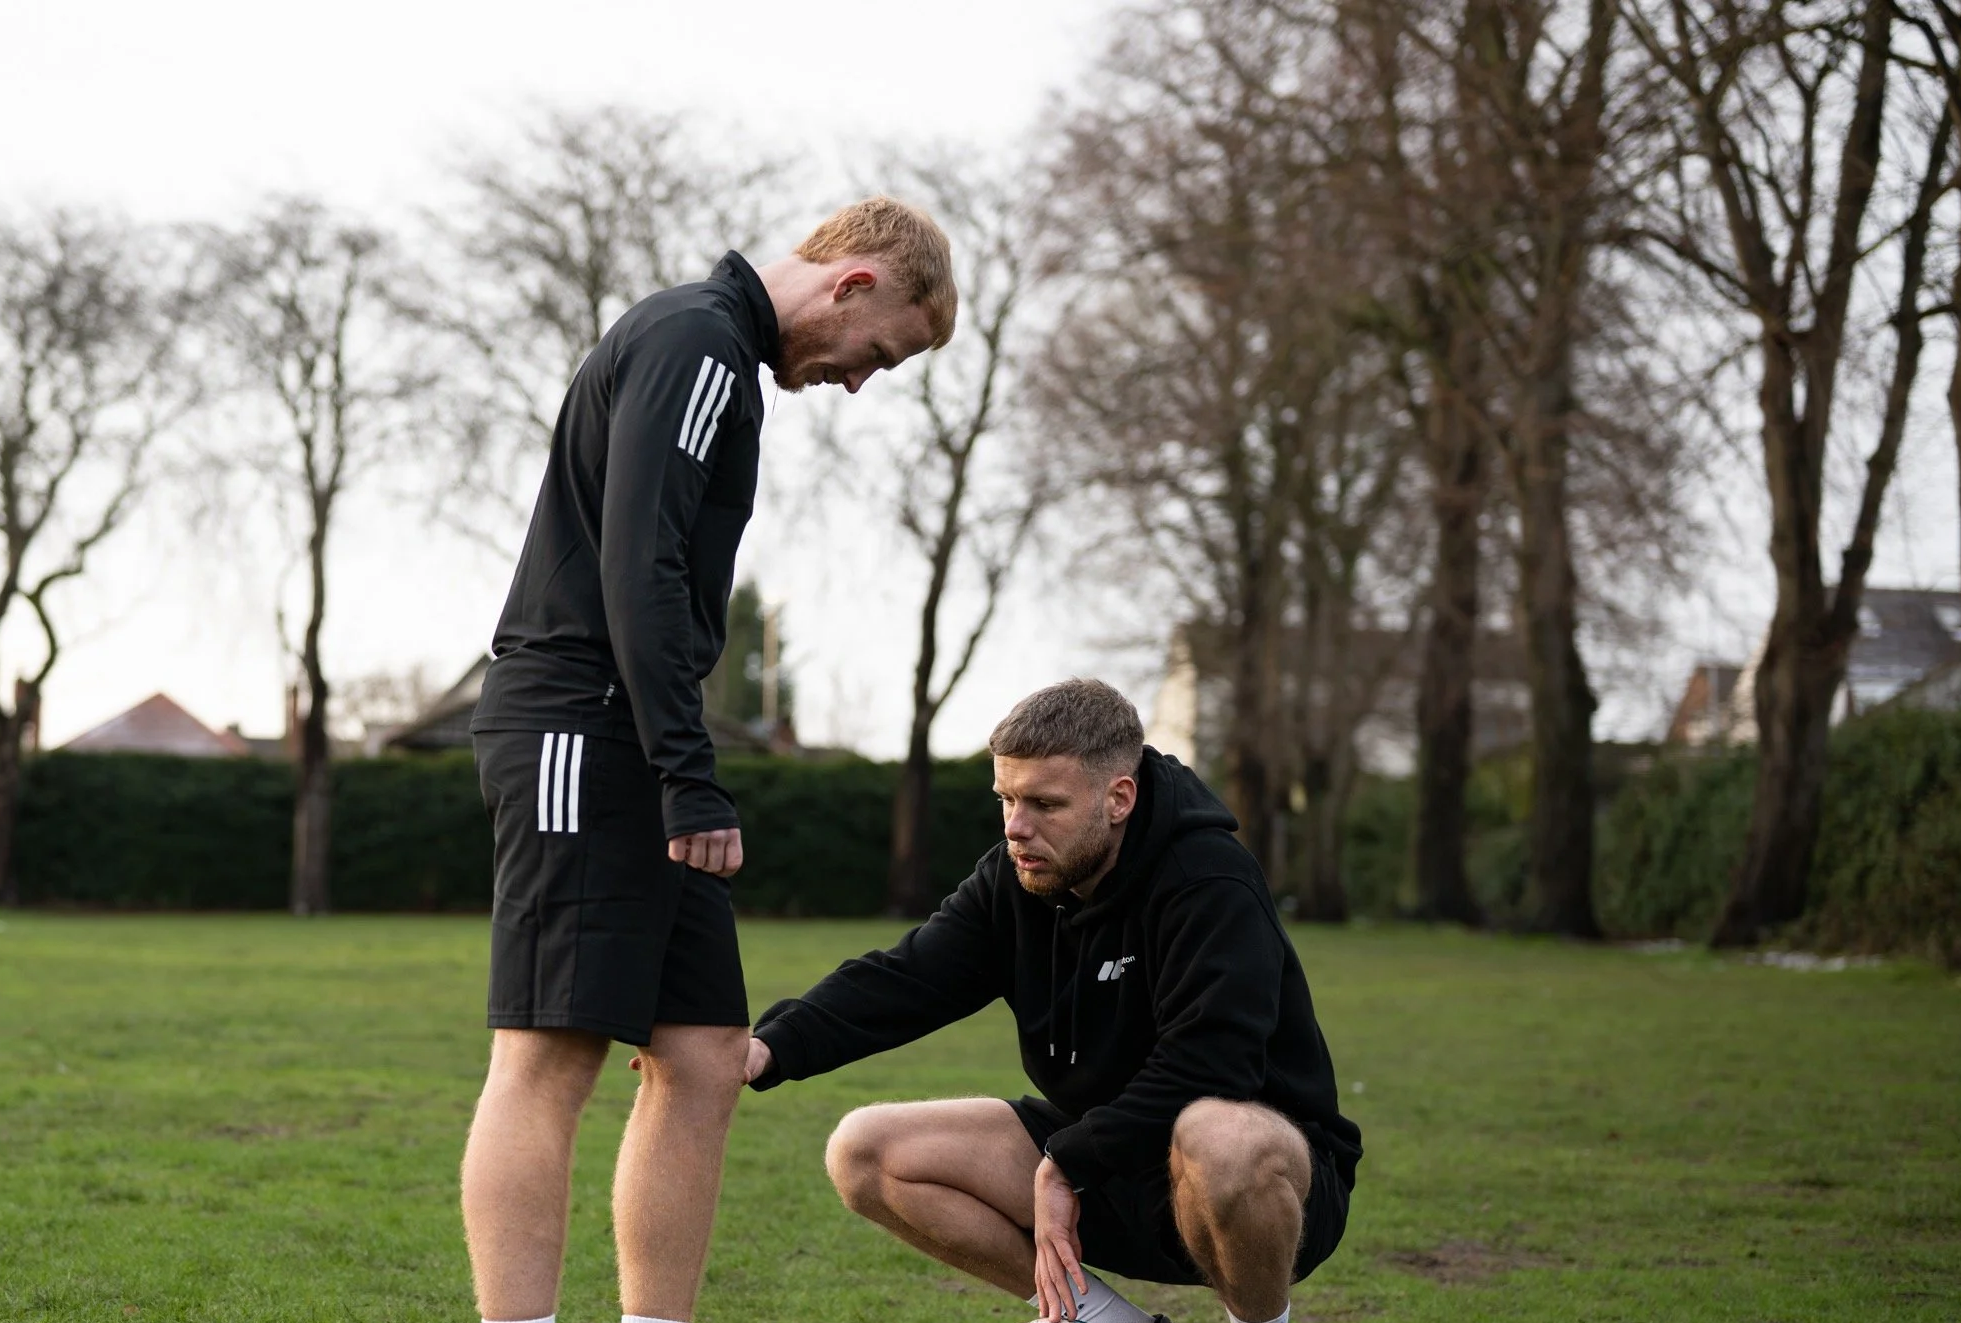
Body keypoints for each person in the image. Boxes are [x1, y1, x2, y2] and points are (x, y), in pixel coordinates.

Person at [460, 198, 959, 1323]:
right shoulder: (696, 343)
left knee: (701, 1053)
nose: (858, 380)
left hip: (632, 729)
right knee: (549, 1058)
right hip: (579, 727)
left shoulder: (720, 358)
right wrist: (689, 771)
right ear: (854, 284)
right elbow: (640, 561)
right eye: (876, 355)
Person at [744, 679, 1362, 1323]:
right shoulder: (1017, 876)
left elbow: (1212, 1066)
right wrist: (771, 1046)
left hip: (1261, 1189)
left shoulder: (1209, 881)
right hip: (1105, 1167)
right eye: (1006, 799)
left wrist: (1068, 1160)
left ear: (1119, 798)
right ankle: (1103, 1320)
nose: (1016, 827)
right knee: (863, 1149)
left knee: (1221, 1134)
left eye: (1044, 802)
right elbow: (908, 977)